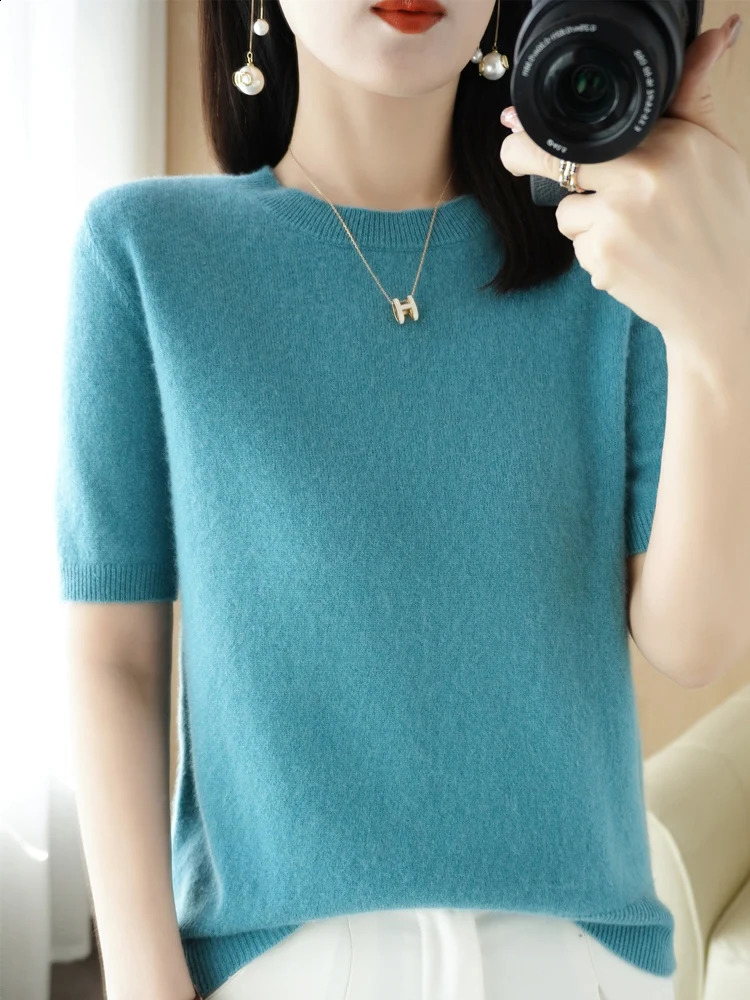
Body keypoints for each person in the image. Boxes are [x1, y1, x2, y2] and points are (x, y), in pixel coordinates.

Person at [54, 1, 683, 998]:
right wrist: (144, 982)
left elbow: (692, 642)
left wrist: (719, 320)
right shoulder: (146, 254)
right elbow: (114, 657)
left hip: (578, 959)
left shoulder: (603, 258)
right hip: (279, 963)